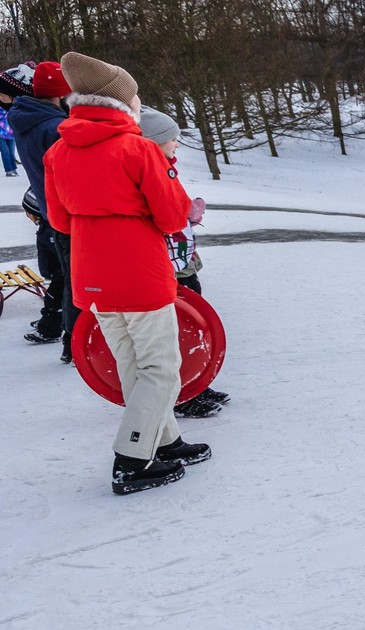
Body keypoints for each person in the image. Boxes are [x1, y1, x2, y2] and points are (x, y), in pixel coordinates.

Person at [44, 52, 210, 495]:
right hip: (138, 273)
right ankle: (132, 459)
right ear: (122, 102)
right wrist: (168, 172)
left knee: (134, 365)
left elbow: (58, 221)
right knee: (162, 369)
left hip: (91, 276)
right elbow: (174, 215)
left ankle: (164, 439)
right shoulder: (136, 148)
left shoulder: (58, 151)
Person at [140, 107, 230, 418]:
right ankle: (182, 393)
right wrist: (181, 215)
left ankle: (196, 382)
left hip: (182, 260)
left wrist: (187, 213)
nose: (176, 144)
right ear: (152, 142)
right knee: (180, 328)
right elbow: (162, 214)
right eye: (171, 139)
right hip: (165, 264)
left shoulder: (165, 166)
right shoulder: (149, 169)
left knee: (194, 322)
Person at [9, 61, 72, 354]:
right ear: (62, 95)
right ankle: (70, 340)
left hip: (49, 210)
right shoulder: (55, 127)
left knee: (63, 274)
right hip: (65, 211)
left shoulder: (27, 118)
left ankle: (55, 326)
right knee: (70, 278)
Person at [0, 61, 36, 177]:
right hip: (2, 132)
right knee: (6, 152)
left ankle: (12, 169)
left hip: (10, 132)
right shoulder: (19, 115)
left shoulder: (33, 119)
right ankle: (9, 169)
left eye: (1, 93)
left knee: (10, 151)